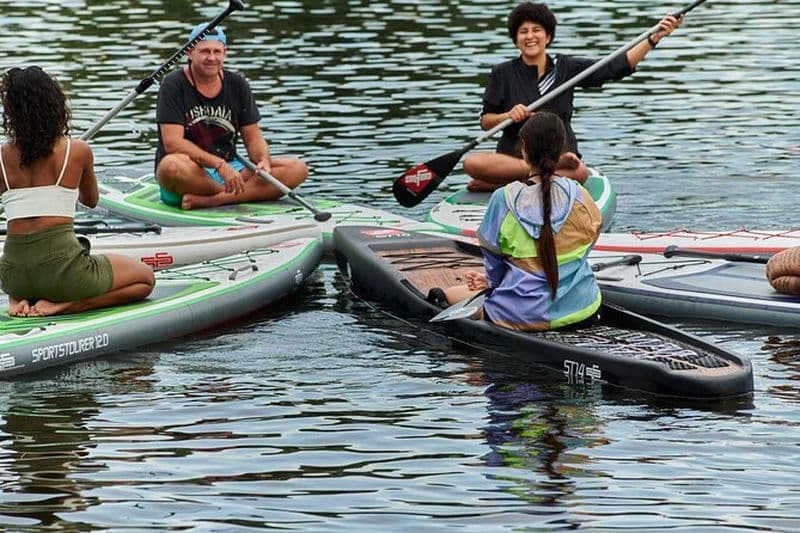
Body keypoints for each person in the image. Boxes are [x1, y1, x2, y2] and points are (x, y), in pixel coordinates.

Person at [463, 2, 683, 191]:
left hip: (561, 154)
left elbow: (615, 67)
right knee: (472, 163)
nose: (530, 36)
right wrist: (508, 115)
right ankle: (532, 175)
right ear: (516, 39)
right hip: (515, 157)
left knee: (580, 172)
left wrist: (654, 38)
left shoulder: (566, 67)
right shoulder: (502, 73)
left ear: (547, 36)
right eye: (523, 31)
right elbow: (486, 121)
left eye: (536, 30)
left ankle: (510, 181)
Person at [0, 66, 155, 317]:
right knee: (145, 279)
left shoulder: (1, 157)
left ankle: (17, 300)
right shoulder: (78, 151)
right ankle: (70, 304)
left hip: (12, 276)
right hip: (63, 274)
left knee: (29, 264)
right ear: (54, 102)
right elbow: (90, 200)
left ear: (12, 112)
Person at [440, 112, 603, 331]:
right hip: (584, 306)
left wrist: (492, 284)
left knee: (449, 295)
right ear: (561, 149)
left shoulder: (503, 199)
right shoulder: (581, 195)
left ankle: (470, 362)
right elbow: (589, 241)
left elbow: (493, 260)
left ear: (524, 148)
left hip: (522, 315)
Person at [155, 23, 308, 210]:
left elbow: (253, 137)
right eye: (204, 51)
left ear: (224, 53)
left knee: (297, 168)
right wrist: (219, 165)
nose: (211, 58)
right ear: (190, 53)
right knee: (171, 166)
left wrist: (263, 161)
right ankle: (236, 193)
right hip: (191, 173)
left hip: (232, 168)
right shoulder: (173, 85)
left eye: (217, 52)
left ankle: (216, 199)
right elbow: (173, 143)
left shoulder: (237, 83)